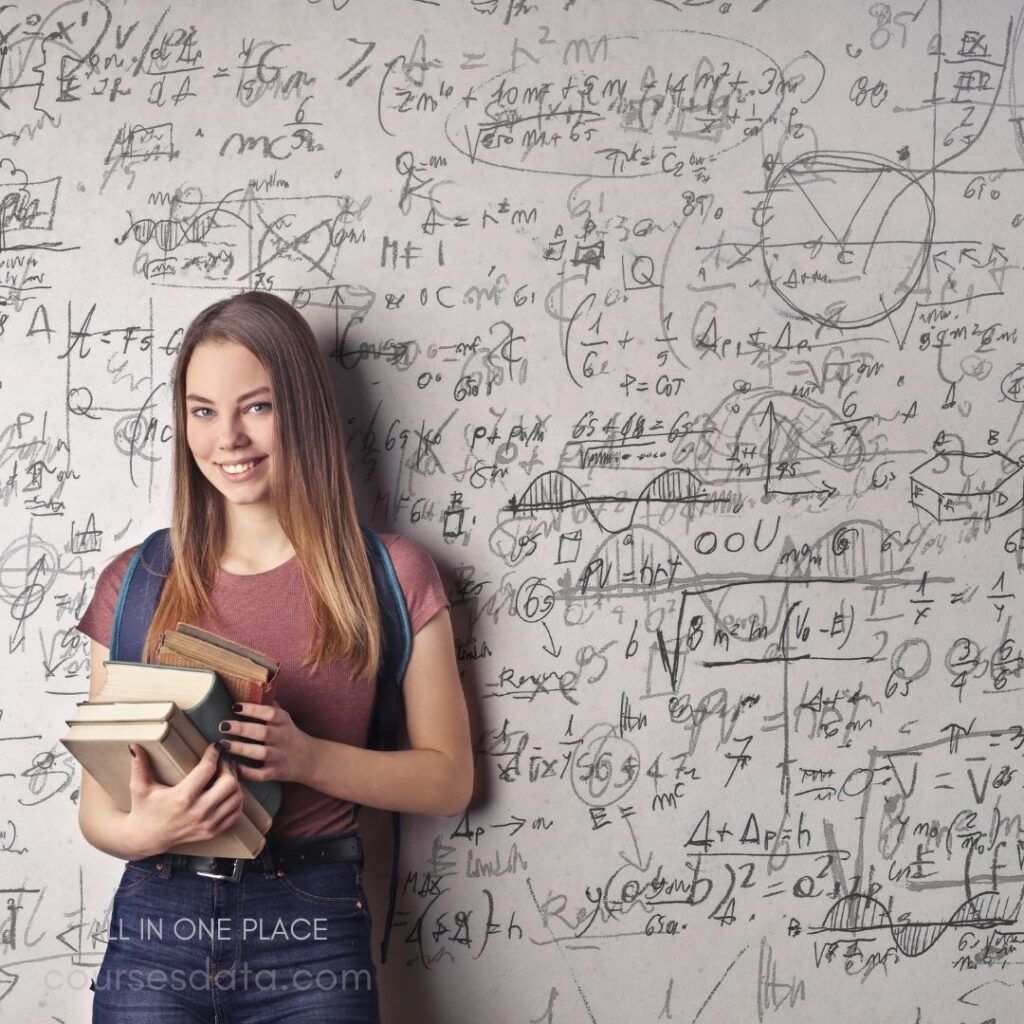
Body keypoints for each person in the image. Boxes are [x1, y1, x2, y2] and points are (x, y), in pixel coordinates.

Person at [75, 290, 474, 1022]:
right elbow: (101, 810)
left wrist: (307, 758)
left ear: (303, 409)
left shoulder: (393, 575)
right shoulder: (133, 584)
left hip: (312, 932)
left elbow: (450, 780)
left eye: (255, 406)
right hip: (158, 924)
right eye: (202, 411)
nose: (227, 437)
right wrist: (151, 829)